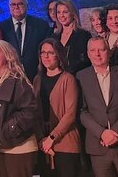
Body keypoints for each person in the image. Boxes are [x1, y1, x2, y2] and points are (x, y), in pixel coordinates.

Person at [0, 39, 39, 177]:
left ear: (7, 55)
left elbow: (30, 111)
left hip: (18, 146)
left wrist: (9, 129)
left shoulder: (18, 80)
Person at [77, 36, 118, 177]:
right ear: (88, 54)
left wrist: (115, 131)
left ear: (108, 52)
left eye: (101, 50)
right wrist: (102, 133)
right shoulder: (81, 77)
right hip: (98, 147)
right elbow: (82, 111)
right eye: (93, 50)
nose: (97, 54)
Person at [33, 39, 81, 177]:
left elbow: (70, 114)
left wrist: (51, 138)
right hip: (43, 143)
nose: (46, 56)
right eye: (43, 52)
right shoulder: (37, 79)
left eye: (50, 52)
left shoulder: (68, 79)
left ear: (59, 55)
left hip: (65, 142)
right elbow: (34, 112)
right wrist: (41, 139)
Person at [0, 0, 52, 80]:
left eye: (20, 4)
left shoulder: (41, 25)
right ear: (9, 7)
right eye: (13, 4)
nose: (16, 7)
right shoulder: (1, 27)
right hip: (10, 75)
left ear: (27, 6)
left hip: (36, 75)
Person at [51, 0, 92, 75]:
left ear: (73, 13)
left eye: (65, 12)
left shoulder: (83, 35)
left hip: (78, 77)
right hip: (58, 78)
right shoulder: (54, 37)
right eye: (59, 12)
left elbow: (87, 61)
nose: (61, 15)